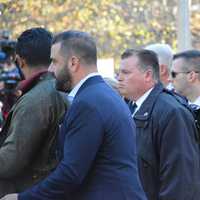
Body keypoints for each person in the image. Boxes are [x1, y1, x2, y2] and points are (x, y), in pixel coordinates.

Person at [1, 30, 147, 200]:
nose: (50, 69)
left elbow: (70, 174)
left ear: (73, 63)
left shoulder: (88, 103)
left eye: (54, 62)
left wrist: (22, 198)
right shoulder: (104, 94)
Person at [117, 49, 200, 200]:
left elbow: (180, 180)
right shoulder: (130, 107)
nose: (119, 78)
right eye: (119, 72)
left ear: (148, 75)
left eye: (126, 72)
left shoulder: (171, 112)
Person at [0, 28, 67, 197]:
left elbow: (10, 162)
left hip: (28, 190)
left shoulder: (35, 99)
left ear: (20, 61)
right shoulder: (58, 88)